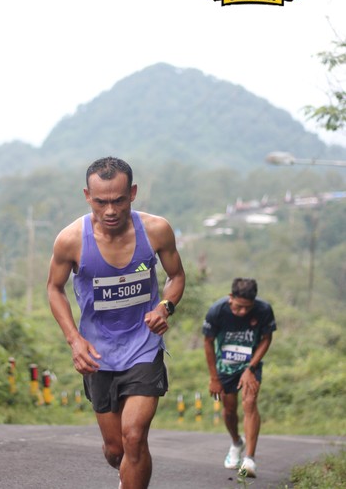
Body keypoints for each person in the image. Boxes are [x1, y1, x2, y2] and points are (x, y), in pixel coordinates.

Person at [47, 156, 186, 489]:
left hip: (143, 347)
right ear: (87, 196)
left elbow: (177, 276)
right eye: (101, 202)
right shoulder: (71, 240)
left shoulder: (156, 230)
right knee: (116, 450)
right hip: (98, 355)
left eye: (119, 201)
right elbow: (54, 288)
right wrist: (74, 339)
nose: (110, 211)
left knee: (134, 436)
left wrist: (165, 307)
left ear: (133, 193)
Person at [203, 277, 276, 478]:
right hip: (225, 366)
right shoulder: (217, 311)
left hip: (250, 364)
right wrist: (214, 378)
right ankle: (236, 442)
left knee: (250, 402)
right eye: (238, 307)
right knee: (229, 411)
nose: (243, 312)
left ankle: (249, 460)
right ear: (230, 297)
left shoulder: (263, 310)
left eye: (247, 308)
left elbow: (266, 338)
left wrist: (251, 368)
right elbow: (208, 342)